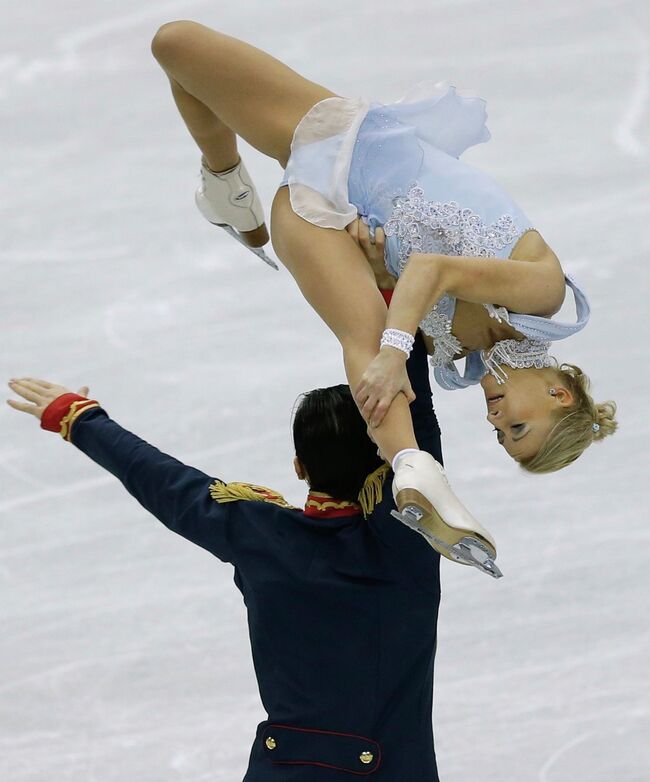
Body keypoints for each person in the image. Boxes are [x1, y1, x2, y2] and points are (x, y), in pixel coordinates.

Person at [148, 20, 617, 568]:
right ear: (559, 396)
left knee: (365, 333)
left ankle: (412, 468)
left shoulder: (456, 350)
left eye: (501, 437)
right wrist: (397, 350)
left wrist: (377, 270)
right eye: (517, 426)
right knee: (176, 48)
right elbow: (431, 268)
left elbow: (399, 275)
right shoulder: (543, 297)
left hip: (329, 218)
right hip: (354, 147)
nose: (494, 422)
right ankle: (225, 183)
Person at [7, 335, 452, 781]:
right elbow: (417, 439)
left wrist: (80, 419)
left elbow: (163, 481)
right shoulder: (405, 541)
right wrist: (400, 332)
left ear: (299, 467)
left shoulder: (257, 533)